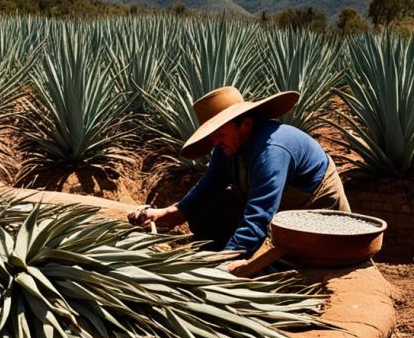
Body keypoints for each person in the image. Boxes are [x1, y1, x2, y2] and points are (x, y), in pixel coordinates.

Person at [128, 86, 350, 264]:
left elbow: (259, 215)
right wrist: (165, 214)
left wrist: (225, 264)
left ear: (245, 124)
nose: (215, 143)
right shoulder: (226, 147)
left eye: (220, 135)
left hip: (315, 207)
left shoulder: (271, 151)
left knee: (304, 261)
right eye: (212, 137)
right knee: (207, 207)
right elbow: (206, 189)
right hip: (277, 205)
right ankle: (218, 253)